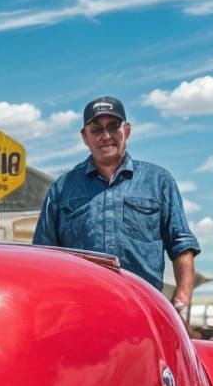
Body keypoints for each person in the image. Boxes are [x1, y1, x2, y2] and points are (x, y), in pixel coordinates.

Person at [33, 95, 199, 323]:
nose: (106, 136)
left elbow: (181, 245)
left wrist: (182, 301)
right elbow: (43, 258)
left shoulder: (158, 181)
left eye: (113, 127)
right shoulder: (63, 188)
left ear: (127, 131)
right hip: (81, 315)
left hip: (145, 312)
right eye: (96, 130)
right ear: (85, 137)